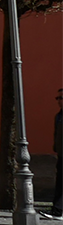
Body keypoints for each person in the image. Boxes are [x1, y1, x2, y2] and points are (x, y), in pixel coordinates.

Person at [50, 88, 61, 218]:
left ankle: (58, 210)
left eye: (61, 98)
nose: (58, 101)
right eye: (57, 98)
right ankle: (57, 210)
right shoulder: (58, 116)